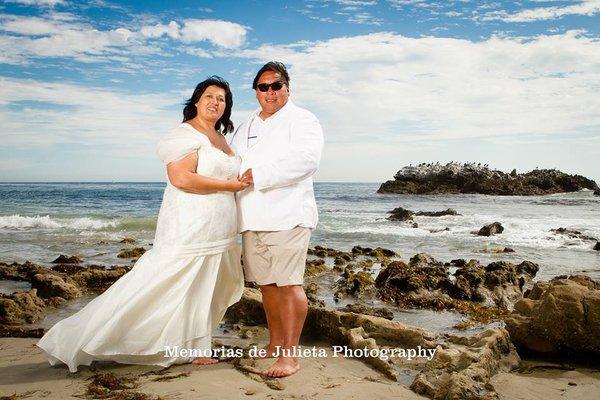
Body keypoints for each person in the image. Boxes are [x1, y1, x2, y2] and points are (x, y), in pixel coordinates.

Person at [37, 76, 250, 372]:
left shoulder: (223, 138)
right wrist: (231, 187)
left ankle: (196, 346)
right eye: (209, 96)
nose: (215, 102)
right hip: (191, 223)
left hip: (221, 227)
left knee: (204, 286)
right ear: (197, 101)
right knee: (163, 283)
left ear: (227, 107)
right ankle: (84, 337)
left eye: (222, 99)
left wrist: (242, 183)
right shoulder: (184, 135)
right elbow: (182, 178)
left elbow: (231, 176)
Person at [229, 61, 324, 378]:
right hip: (252, 217)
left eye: (276, 85)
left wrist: (261, 174)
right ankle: (273, 345)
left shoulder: (303, 120)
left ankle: (289, 356)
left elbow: (307, 161)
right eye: (263, 86)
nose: (269, 92)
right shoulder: (246, 125)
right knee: (267, 286)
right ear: (256, 91)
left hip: (288, 215)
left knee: (288, 285)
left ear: (287, 88)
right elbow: (232, 162)